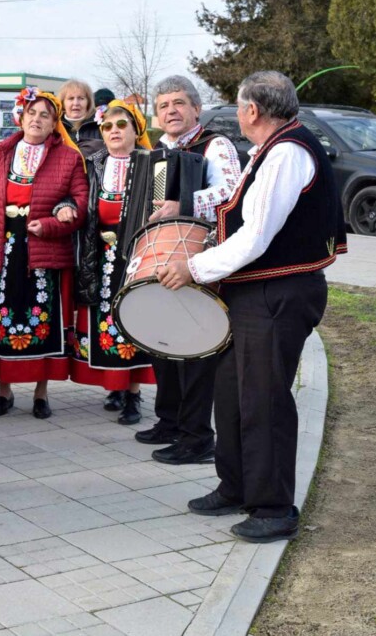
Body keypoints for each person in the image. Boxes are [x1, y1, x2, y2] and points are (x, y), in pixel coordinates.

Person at [157, 71, 347, 543]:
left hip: (278, 292)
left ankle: (274, 507)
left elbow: (256, 236)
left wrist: (195, 268)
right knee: (232, 391)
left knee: (264, 400)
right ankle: (236, 485)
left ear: (252, 111)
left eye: (239, 106)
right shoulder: (271, 149)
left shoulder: (286, 152)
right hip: (254, 293)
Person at [135, 75, 243, 465]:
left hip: (200, 259)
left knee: (195, 346)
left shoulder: (216, 145)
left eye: (179, 103)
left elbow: (233, 192)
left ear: (196, 108)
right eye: (163, 106)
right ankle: (170, 421)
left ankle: (197, 437)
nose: (171, 111)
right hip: (159, 257)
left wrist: (184, 205)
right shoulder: (156, 152)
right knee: (162, 339)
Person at [0, 87, 88, 419]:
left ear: (55, 124)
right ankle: (4, 392)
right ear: (20, 117)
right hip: (4, 248)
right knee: (3, 321)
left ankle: (41, 393)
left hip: (44, 249)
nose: (37, 120)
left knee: (43, 322)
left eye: (46, 115)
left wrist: (53, 223)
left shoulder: (68, 158)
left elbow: (80, 204)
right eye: (32, 113)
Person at [64, 100, 156, 424]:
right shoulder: (91, 164)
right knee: (106, 322)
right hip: (99, 255)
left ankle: (133, 395)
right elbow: (74, 195)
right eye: (108, 127)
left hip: (135, 258)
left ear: (136, 130)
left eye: (121, 126)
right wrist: (65, 206)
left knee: (134, 320)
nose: (114, 131)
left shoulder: (151, 164)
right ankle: (114, 388)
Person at [58, 79, 104, 158]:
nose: (76, 103)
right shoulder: (55, 127)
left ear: (88, 102)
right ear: (63, 103)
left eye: (81, 98)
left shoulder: (101, 125)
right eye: (71, 98)